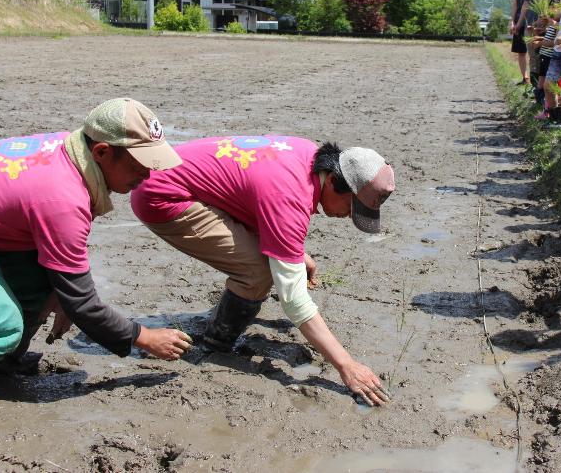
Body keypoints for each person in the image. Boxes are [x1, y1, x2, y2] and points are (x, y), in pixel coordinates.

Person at [130, 136, 395, 407]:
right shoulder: (290, 198)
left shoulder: (307, 153)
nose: (350, 217)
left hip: (176, 177)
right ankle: (215, 344)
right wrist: (346, 365)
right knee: (258, 273)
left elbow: (256, 192)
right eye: (352, 207)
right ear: (332, 182)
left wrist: (291, 250)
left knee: (270, 259)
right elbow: (294, 301)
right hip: (161, 194)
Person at [0, 98, 194, 374]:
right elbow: (84, 305)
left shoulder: (71, 150)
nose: (147, 176)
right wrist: (144, 337)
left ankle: (4, 363)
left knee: (42, 280)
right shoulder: (63, 199)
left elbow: (65, 278)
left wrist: (61, 292)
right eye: (139, 165)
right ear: (101, 152)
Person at [509, 0, 535, 84]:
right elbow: (514, 4)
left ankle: (533, 77)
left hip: (533, 20)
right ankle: (525, 77)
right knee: (521, 50)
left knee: (533, 50)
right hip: (520, 19)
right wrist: (512, 21)